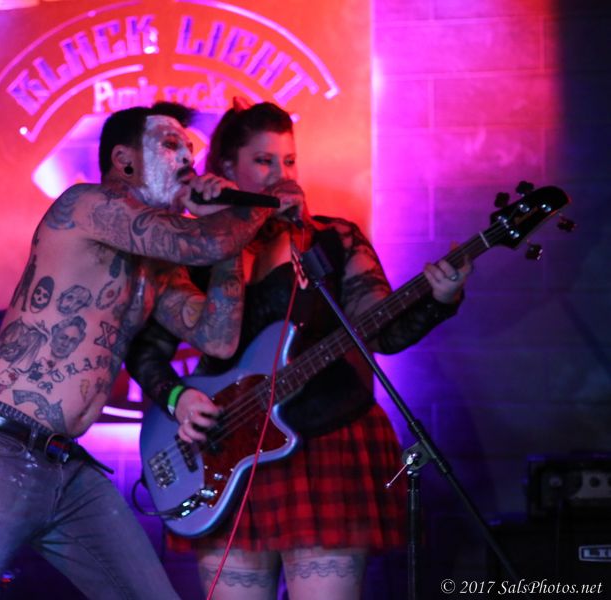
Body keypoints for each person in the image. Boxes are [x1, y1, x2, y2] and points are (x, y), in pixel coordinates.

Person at [0, 102, 298, 600]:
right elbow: (201, 244)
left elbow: (217, 337)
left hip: (66, 466)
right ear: (124, 160)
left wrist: (224, 226)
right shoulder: (86, 204)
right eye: (171, 145)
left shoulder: (157, 267)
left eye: (190, 148)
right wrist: (259, 202)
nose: (188, 158)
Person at [125, 100, 472, 600]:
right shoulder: (200, 250)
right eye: (263, 161)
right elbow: (145, 351)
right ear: (228, 169)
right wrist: (179, 400)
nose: (280, 175)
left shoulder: (333, 240)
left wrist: (440, 298)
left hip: (325, 442)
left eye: (289, 161)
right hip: (227, 449)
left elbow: (383, 332)